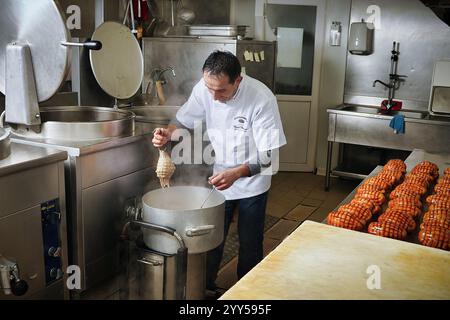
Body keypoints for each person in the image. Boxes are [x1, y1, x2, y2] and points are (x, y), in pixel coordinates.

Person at [152, 50, 286, 295]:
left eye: (221, 91)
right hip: (219, 177)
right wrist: (167, 133)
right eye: (209, 88)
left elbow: (269, 157)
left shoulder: (261, 98)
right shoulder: (207, 89)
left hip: (252, 182)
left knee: (250, 243)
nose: (213, 96)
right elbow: (184, 120)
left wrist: (236, 174)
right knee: (211, 238)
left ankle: (247, 293)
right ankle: (205, 289)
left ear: (238, 80)